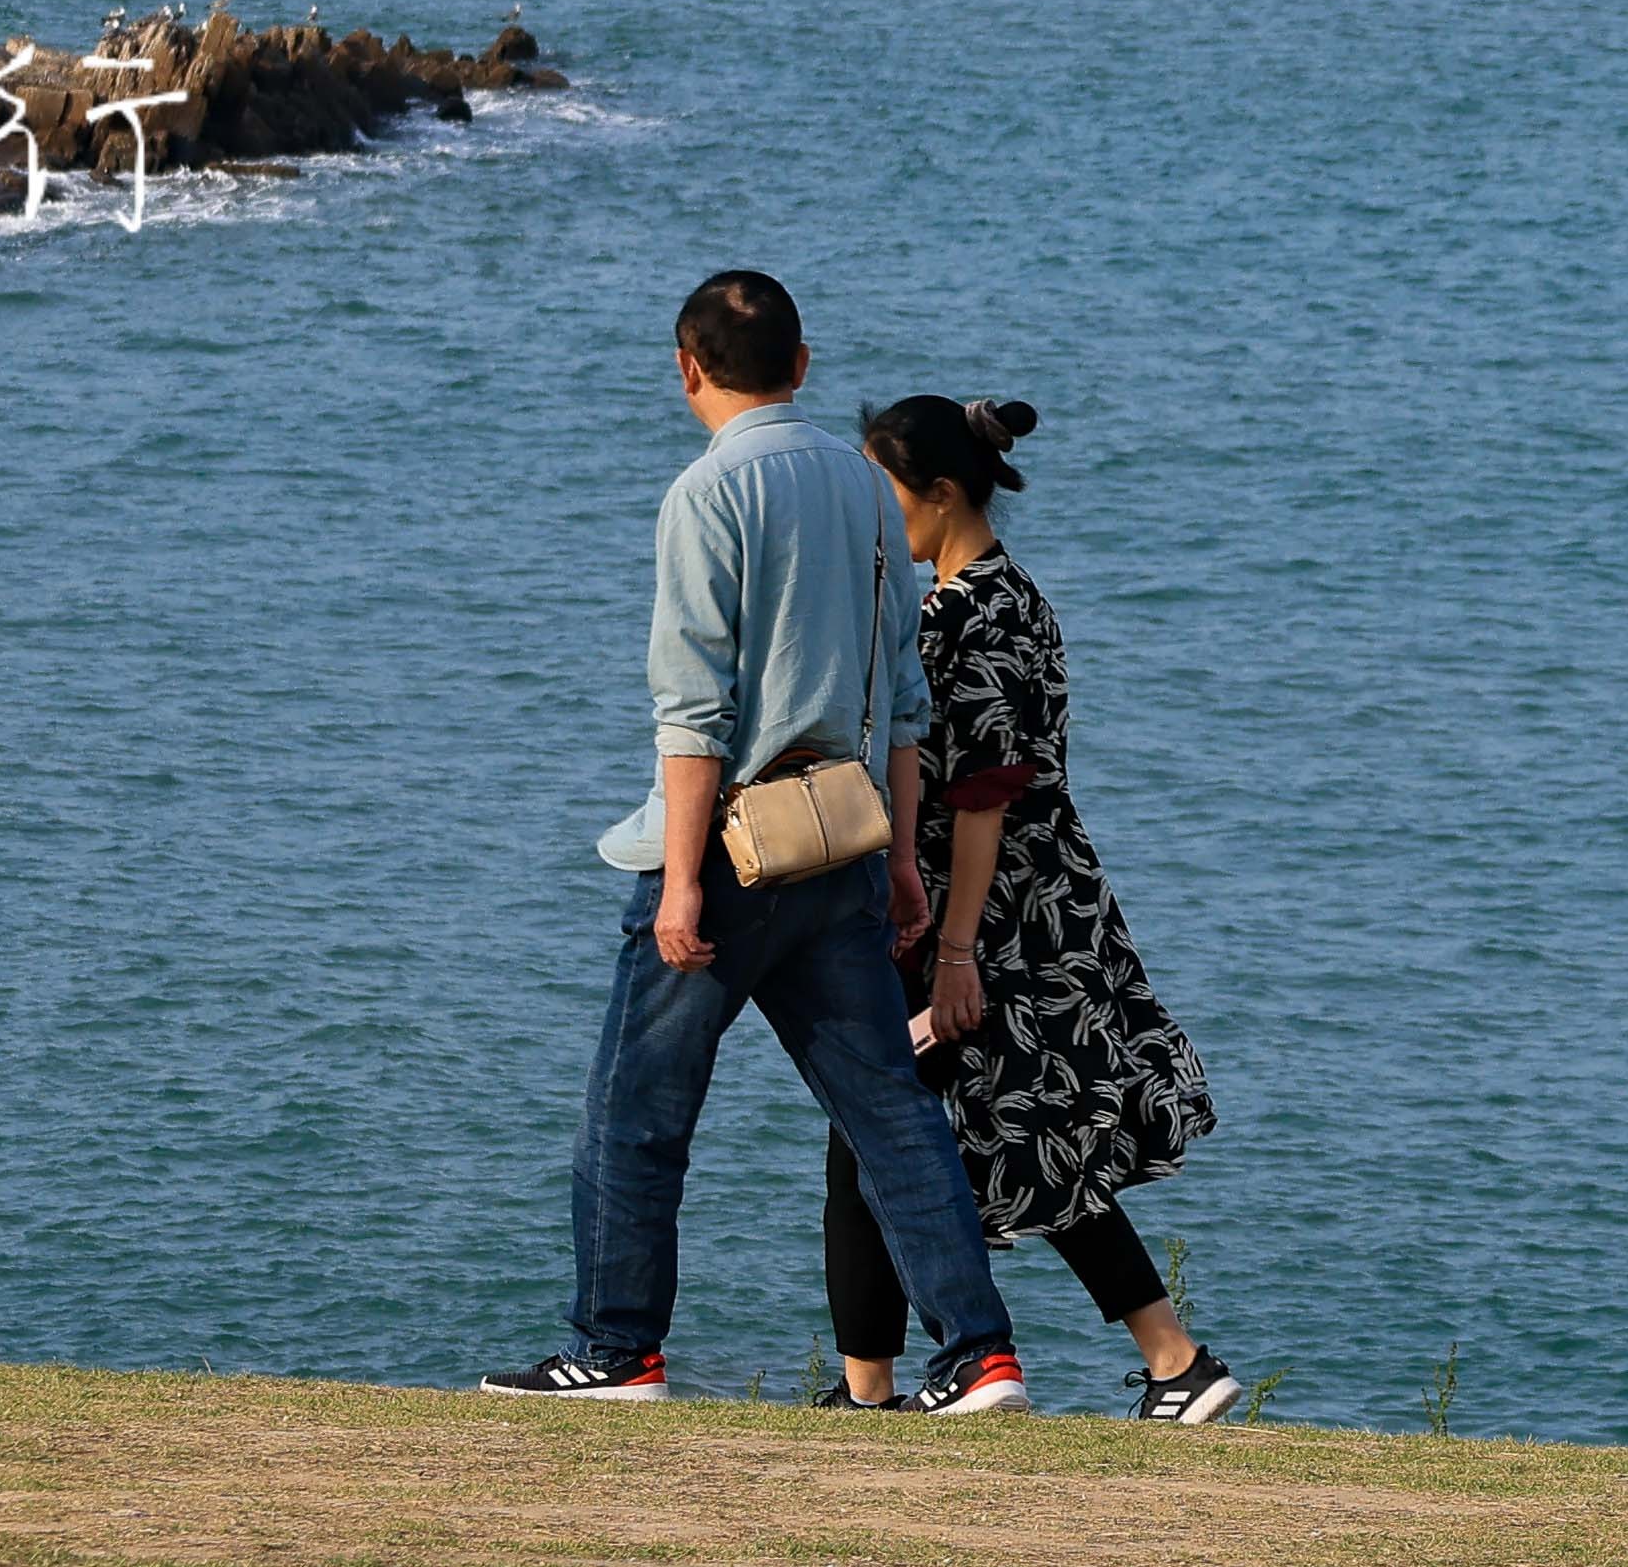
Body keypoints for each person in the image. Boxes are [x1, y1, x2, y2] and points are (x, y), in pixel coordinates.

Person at [482, 271, 1032, 1412]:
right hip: (840, 836)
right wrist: (894, 863)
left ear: (687, 368)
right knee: (890, 1111)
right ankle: (979, 1356)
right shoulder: (868, 490)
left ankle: (618, 1347)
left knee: (634, 1115)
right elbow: (904, 698)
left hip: (733, 847)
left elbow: (694, 712)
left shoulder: (703, 495)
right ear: (801, 362)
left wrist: (680, 881)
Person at [822, 394, 1239, 1428]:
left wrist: (956, 949)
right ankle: (1174, 1362)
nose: (877, 519)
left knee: (881, 1129)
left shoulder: (966, 614)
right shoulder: (1008, 598)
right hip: (1028, 902)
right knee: (1020, 1126)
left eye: (885, 496)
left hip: (992, 918)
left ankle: (868, 1395)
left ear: (941, 493)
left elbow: (983, 794)